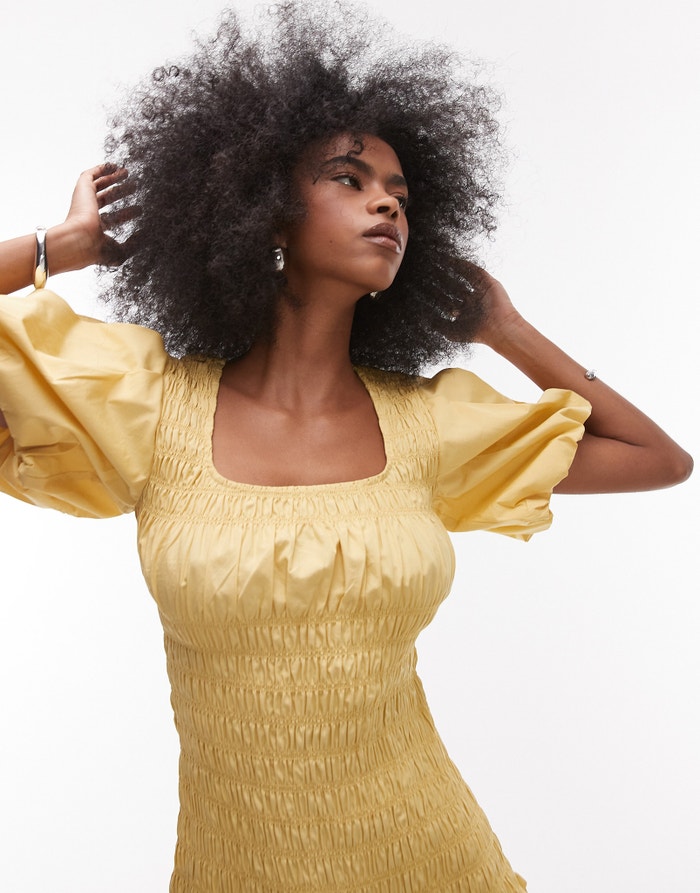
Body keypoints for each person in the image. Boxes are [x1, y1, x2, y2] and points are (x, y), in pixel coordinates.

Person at [0, 3, 692, 891]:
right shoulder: (145, 409)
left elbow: (658, 458)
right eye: (349, 178)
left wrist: (508, 329)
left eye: (399, 193)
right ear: (265, 211)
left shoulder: (427, 425)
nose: (387, 203)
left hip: (433, 856)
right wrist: (58, 247)